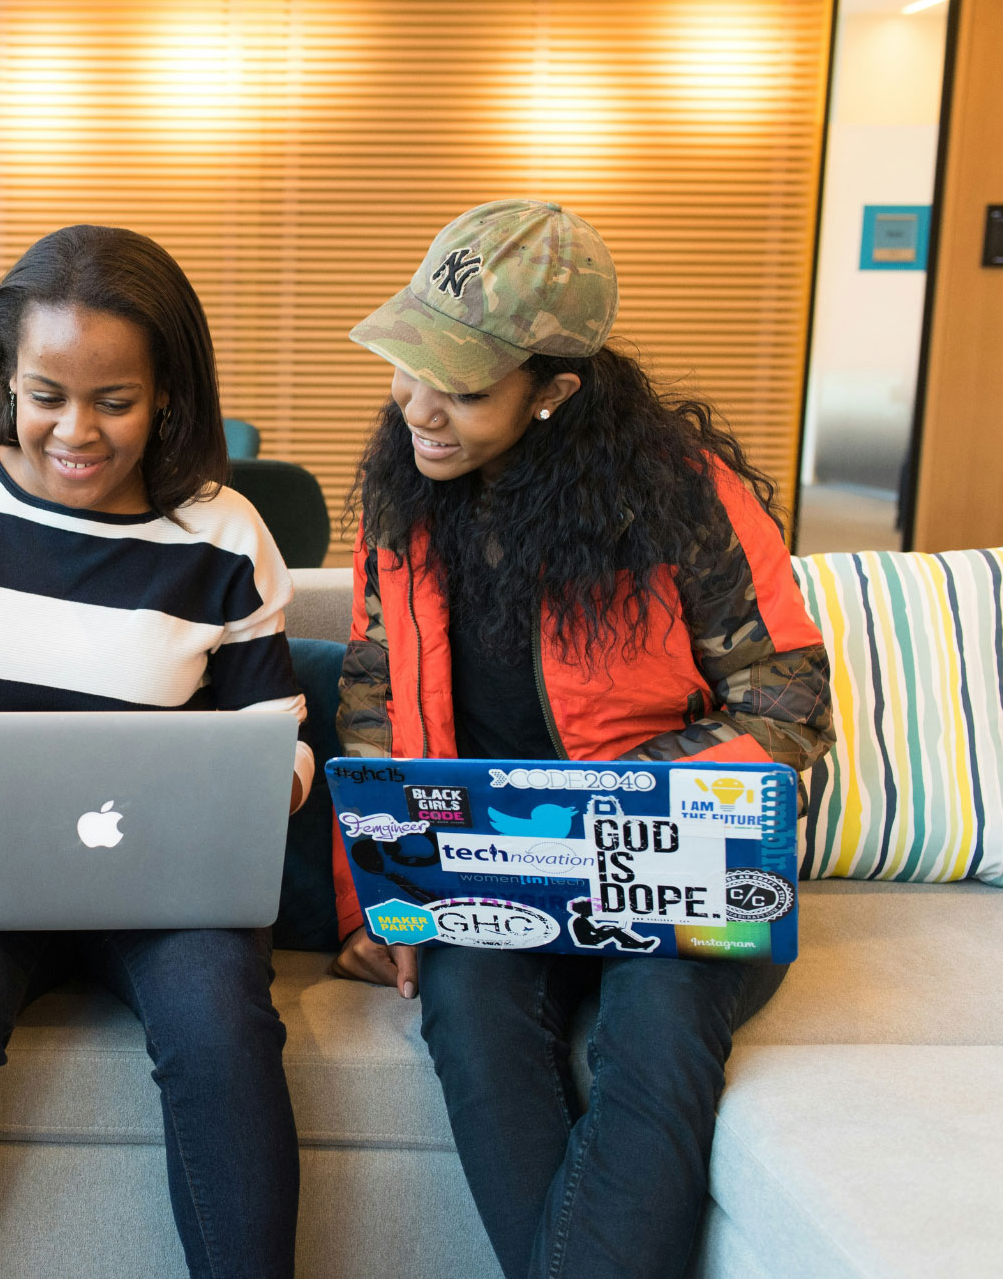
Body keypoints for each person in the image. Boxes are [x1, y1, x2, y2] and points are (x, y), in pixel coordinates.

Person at [330, 200, 834, 1279]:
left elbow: (785, 697)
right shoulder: (400, 499)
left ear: (555, 390)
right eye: (409, 364)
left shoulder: (686, 501)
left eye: (461, 387)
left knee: (653, 1027)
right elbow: (374, 696)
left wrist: (613, 801)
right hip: (495, 867)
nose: (419, 405)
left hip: (684, 865)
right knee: (465, 1008)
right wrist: (381, 898)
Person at [0, 224, 311, 1279]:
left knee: (223, 1023)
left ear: (169, 391)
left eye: (115, 401)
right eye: (45, 393)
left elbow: (278, 733)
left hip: (170, 880)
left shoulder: (223, 535)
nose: (75, 431)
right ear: (6, 380)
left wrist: (266, 780)